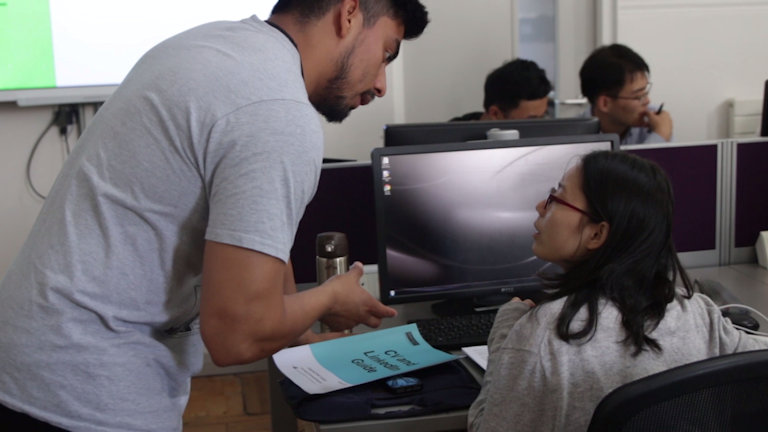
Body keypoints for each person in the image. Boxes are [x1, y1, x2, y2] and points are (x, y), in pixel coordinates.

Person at [0, 1, 429, 430]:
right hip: (82, 388)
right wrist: (330, 297)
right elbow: (235, 335)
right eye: (387, 53)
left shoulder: (214, 46)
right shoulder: (277, 110)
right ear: (349, 12)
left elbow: (253, 236)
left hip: (26, 355)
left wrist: (296, 330)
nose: (381, 84)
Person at [467, 150, 768, 432]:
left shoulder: (545, 334)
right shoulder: (697, 314)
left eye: (555, 197)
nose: (540, 206)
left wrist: (504, 337)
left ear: (597, 234)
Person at [579, 44, 673, 145]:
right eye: (638, 96)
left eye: (645, 92)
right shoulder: (573, 136)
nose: (647, 101)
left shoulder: (655, 122)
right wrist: (660, 136)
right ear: (605, 103)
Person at [451, 58, 552, 121]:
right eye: (531, 120)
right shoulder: (448, 145)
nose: (540, 127)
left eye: (543, 117)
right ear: (495, 114)